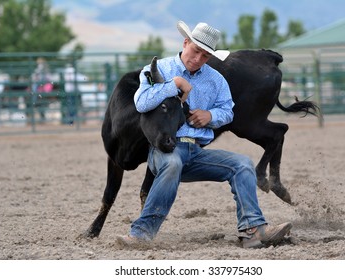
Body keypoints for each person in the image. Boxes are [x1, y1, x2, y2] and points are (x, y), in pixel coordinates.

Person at [116, 21, 292, 249]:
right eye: (196, 51)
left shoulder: (216, 80)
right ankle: (140, 234)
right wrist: (174, 85)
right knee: (171, 164)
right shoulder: (158, 70)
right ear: (185, 43)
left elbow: (227, 112)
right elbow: (140, 103)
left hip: (196, 152)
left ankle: (252, 231)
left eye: (206, 55)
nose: (199, 59)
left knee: (242, 164)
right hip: (165, 149)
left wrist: (210, 116)